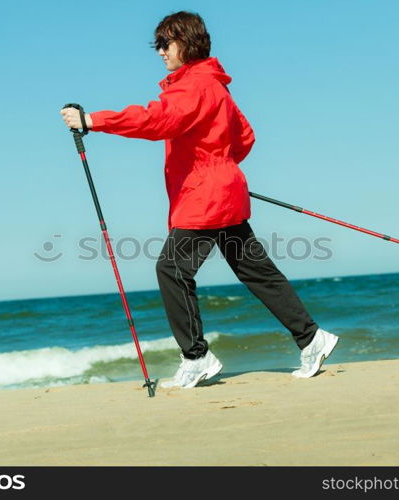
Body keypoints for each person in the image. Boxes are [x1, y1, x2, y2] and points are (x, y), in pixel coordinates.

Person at [61, 11, 338, 389]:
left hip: (206, 196)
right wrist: (220, 165)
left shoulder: (193, 86)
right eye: (157, 44)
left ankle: (197, 356)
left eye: (165, 43)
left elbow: (157, 121)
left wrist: (93, 120)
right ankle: (310, 337)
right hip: (222, 189)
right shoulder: (214, 85)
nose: (160, 51)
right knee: (255, 270)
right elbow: (244, 137)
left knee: (172, 269)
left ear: (186, 43)